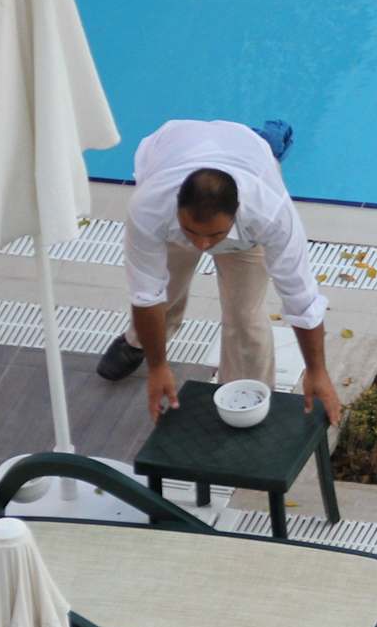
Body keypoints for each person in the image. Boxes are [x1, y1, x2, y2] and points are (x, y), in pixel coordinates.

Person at [95, 118, 344, 426]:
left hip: (245, 221)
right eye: (193, 233)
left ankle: (244, 399)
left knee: (245, 317)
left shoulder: (270, 213)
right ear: (176, 207)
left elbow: (301, 299)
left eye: (214, 236)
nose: (202, 246)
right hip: (172, 170)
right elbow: (146, 294)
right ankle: (137, 343)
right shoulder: (149, 206)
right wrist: (158, 367)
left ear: (237, 211)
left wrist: (317, 371)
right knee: (165, 295)